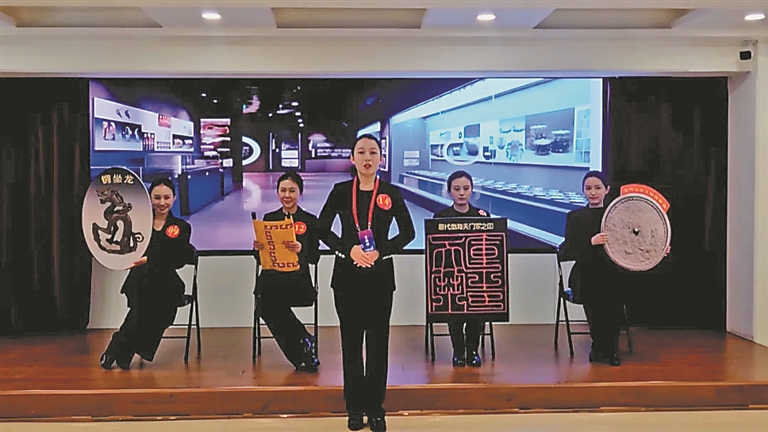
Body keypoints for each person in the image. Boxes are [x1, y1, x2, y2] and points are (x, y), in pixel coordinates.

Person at [318, 134, 415, 432]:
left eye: (373, 152)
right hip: (346, 277)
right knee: (350, 343)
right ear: (352, 158)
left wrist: (379, 251)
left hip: (379, 277)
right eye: (361, 152)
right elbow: (322, 229)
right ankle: (354, 407)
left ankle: (375, 408)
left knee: (377, 343)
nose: (367, 158)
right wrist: (348, 249)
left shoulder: (391, 193)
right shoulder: (340, 191)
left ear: (381, 159)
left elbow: (408, 233)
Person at [100, 178, 195, 370]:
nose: (162, 202)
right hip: (140, 279)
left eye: (166, 197)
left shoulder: (181, 227)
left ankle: (119, 347)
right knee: (142, 307)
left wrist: (150, 259)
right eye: (157, 197)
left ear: (174, 198)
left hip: (167, 282)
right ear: (149, 198)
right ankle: (122, 352)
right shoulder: (139, 222)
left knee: (157, 309)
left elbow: (178, 259)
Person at [252, 171, 321, 372]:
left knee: (267, 305)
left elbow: (315, 257)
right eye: (283, 190)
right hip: (273, 280)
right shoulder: (269, 218)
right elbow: (260, 259)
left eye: (292, 190)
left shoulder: (309, 220)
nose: (287, 195)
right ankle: (303, 347)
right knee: (267, 303)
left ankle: (302, 349)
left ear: (300, 193)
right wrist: (258, 248)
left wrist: (302, 249)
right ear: (277, 192)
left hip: (298, 283)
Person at [432, 170, 489, 368]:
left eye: (466, 188)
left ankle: (472, 351)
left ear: (472, 190)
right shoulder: (441, 217)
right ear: (449, 192)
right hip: (451, 275)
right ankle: (458, 352)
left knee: (476, 312)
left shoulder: (482, 216)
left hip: (476, 275)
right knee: (454, 313)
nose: (462, 193)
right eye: (457, 189)